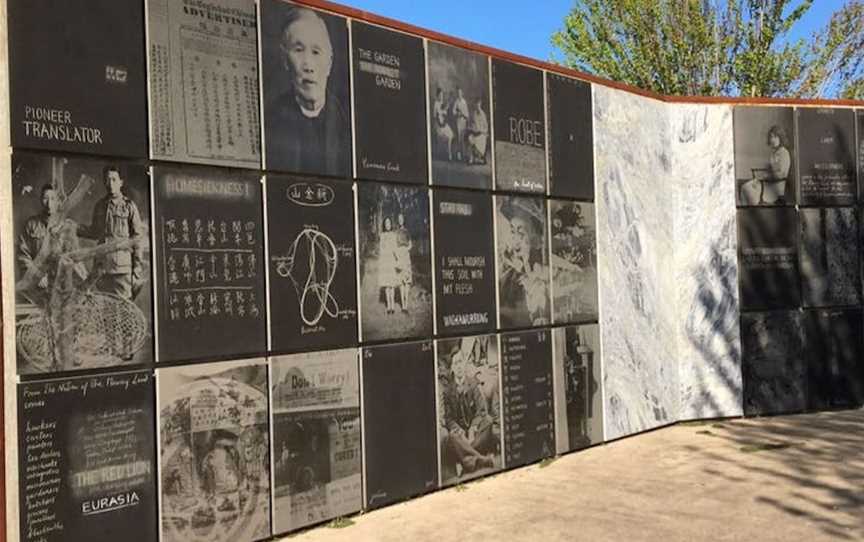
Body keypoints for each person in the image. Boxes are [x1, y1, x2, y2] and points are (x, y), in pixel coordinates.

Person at [269, 7, 350, 176]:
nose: (308, 65)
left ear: (329, 63)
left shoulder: (346, 119)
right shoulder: (271, 121)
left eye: (316, 52)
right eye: (298, 50)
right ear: (285, 60)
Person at [80, 166, 146, 301]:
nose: (110, 184)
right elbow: (94, 233)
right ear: (104, 182)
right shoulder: (100, 206)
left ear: (121, 182)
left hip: (121, 269)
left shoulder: (129, 206)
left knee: (123, 309)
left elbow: (137, 239)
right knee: (103, 310)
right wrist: (74, 228)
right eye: (107, 180)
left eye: (114, 179)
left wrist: (137, 270)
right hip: (102, 268)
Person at [739, 125, 791, 205]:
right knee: (744, 187)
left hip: (775, 187)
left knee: (749, 191)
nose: (772, 139)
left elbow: (782, 174)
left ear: (781, 138)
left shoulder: (784, 153)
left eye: (775, 137)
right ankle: (747, 211)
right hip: (768, 182)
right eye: (771, 137)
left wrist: (765, 177)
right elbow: (771, 170)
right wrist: (762, 177)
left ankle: (753, 210)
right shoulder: (774, 153)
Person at [377, 216, 400, 315]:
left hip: (391, 260)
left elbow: (395, 249)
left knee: (392, 285)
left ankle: (393, 306)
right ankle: (388, 307)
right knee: (387, 285)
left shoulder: (394, 235)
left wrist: (398, 259)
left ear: (391, 224)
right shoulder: (382, 235)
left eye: (389, 223)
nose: (387, 225)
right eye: (386, 223)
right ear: (384, 225)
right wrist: (382, 261)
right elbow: (381, 249)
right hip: (385, 261)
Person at [394, 213, 413, 312]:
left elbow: (410, 245)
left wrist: (406, 250)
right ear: (398, 220)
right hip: (399, 256)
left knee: (407, 281)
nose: (400, 220)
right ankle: (403, 306)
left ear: (404, 220)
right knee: (401, 281)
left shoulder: (407, 231)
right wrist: (397, 256)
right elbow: (394, 246)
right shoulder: (396, 232)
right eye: (399, 219)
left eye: (402, 218)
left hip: (406, 256)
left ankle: (407, 303)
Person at [433, 87, 454, 161]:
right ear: (437, 96)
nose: (441, 96)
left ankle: (449, 153)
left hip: (444, 124)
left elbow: (445, 115)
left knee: (450, 135)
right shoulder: (436, 104)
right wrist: (439, 125)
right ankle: (447, 153)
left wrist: (446, 110)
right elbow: (435, 117)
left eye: (442, 95)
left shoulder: (443, 103)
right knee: (444, 137)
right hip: (439, 126)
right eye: (440, 95)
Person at [466, 98, 488, 165]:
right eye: (476, 105)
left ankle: (480, 157)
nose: (477, 106)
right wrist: (471, 128)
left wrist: (482, 131)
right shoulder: (473, 113)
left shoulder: (483, 114)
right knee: (470, 138)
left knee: (481, 140)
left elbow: (486, 126)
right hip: (474, 132)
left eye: (478, 105)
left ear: (480, 105)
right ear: (475, 105)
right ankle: (471, 158)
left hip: (481, 134)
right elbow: (470, 123)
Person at [451, 87, 469, 161]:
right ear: (457, 94)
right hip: (458, 121)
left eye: (460, 93)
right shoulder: (456, 102)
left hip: (463, 121)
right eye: (458, 93)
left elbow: (467, 113)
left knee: (463, 137)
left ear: (462, 93)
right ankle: (458, 154)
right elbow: (453, 111)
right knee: (459, 138)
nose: (459, 94)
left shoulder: (464, 102)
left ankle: (464, 154)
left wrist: (464, 114)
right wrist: (457, 113)